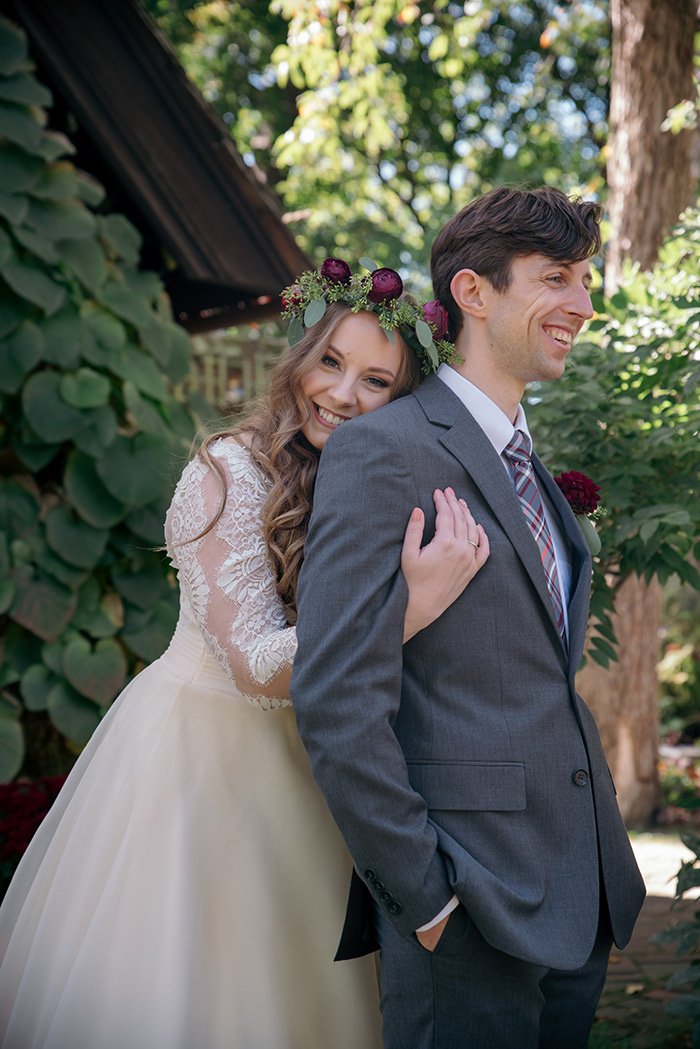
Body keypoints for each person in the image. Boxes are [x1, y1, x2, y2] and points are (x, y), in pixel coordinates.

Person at [0, 274, 489, 1049]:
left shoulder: (365, 481)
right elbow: (259, 664)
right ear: (299, 354)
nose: (340, 393)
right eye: (330, 360)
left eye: (375, 381)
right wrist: (412, 606)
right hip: (201, 767)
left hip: (313, 772)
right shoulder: (225, 473)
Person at [290, 186, 647, 1049]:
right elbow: (337, 699)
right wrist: (426, 898)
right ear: (474, 293)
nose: (583, 303)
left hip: (578, 894)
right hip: (466, 907)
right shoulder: (384, 447)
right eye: (556, 277)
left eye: (586, 279)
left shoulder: (528, 463)